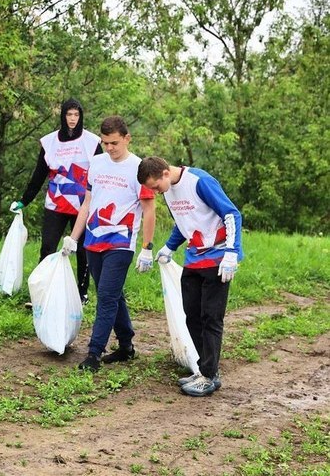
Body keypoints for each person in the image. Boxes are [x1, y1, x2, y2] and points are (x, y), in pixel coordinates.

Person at [137, 156, 243, 397]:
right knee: (192, 316)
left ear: (165, 173)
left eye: (155, 186)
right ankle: (204, 369)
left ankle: (209, 375)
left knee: (211, 318)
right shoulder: (167, 190)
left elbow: (231, 214)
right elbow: (183, 223)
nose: (155, 192)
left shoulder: (199, 181)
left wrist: (231, 254)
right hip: (193, 260)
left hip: (217, 259)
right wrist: (169, 247)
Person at [61, 115, 156, 372]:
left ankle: (94, 353)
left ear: (127, 139)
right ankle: (126, 346)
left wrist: (147, 248)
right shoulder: (97, 163)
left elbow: (149, 210)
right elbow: (88, 202)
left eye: (114, 143)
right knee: (111, 294)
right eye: (105, 143)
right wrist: (74, 237)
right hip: (93, 239)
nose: (110, 148)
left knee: (105, 296)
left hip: (121, 242)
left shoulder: (139, 168)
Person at [10, 98, 102, 305]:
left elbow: (102, 172)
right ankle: (43, 292)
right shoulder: (49, 142)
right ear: (63, 116)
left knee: (82, 249)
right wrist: (24, 200)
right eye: (69, 114)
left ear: (81, 116)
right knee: (48, 247)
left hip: (83, 205)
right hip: (56, 204)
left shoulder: (91, 141)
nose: (72, 119)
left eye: (76, 115)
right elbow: (39, 175)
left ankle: (82, 293)